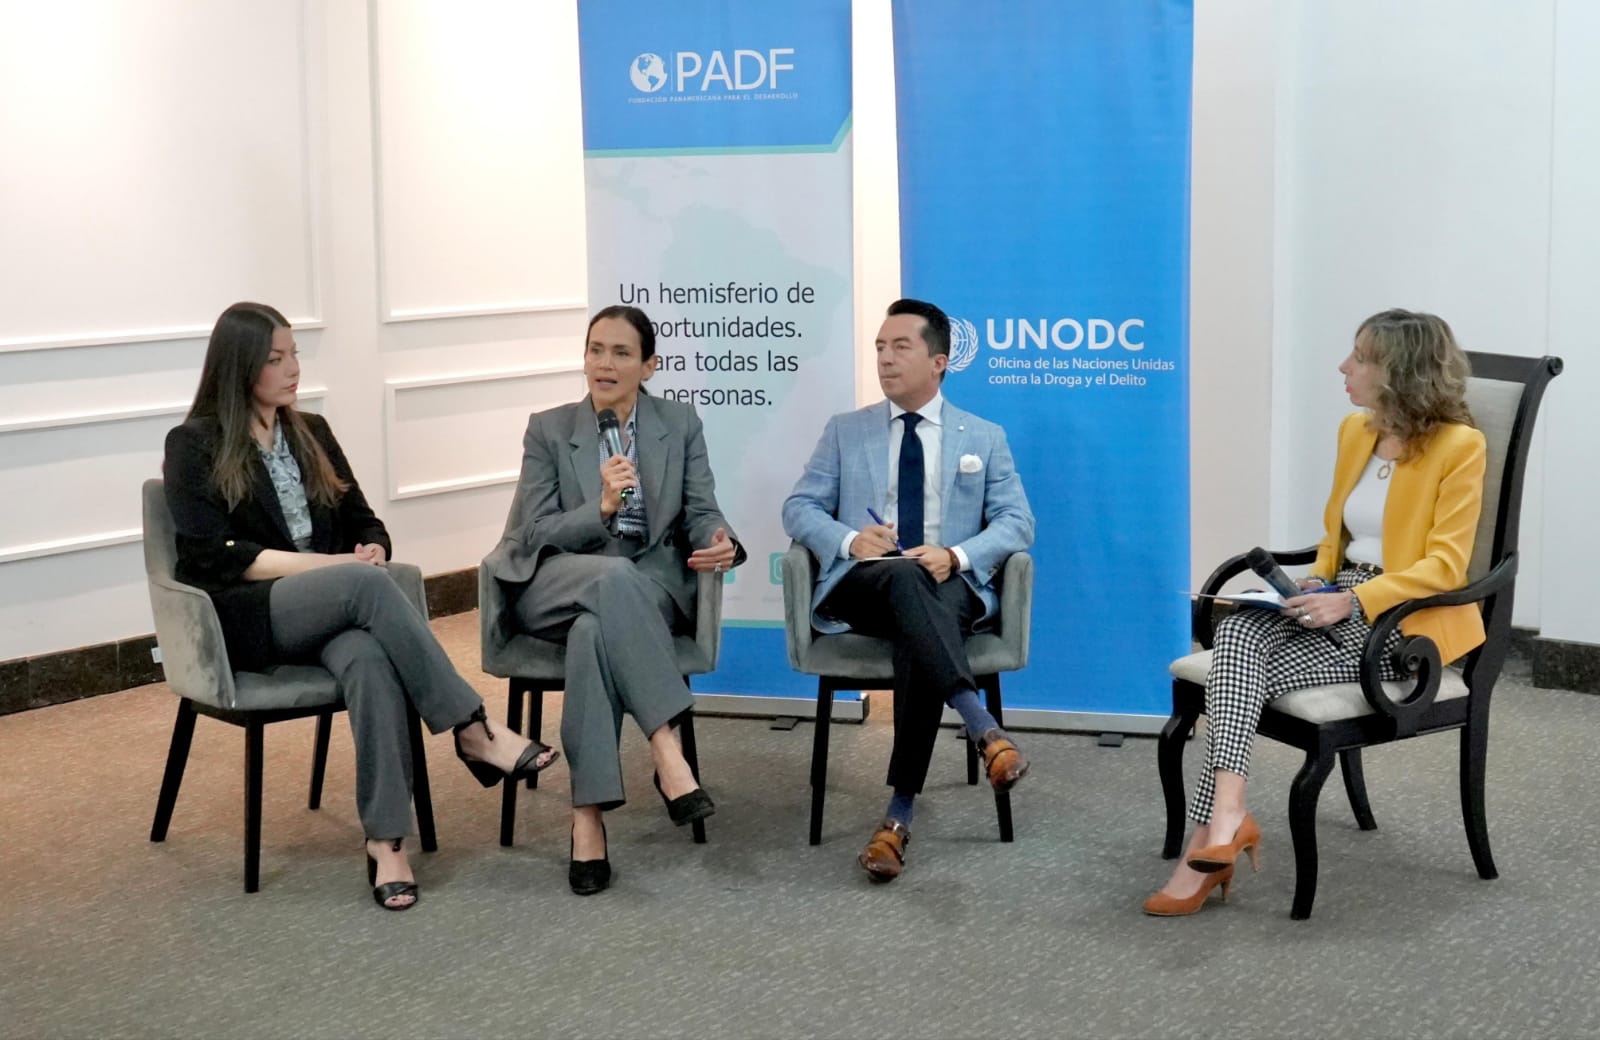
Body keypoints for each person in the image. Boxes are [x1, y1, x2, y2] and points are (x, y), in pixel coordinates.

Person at [164, 302, 557, 912]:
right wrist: (335, 567)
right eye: (276, 359)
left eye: (294, 354)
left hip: (333, 609)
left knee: (370, 660)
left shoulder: (311, 432)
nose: (293, 369)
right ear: (239, 367)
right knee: (365, 586)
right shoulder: (193, 444)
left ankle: (387, 841)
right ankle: (470, 727)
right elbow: (213, 556)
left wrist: (372, 548)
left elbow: (362, 517)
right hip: (249, 616)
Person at [1145, 308, 1487, 916]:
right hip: (1340, 598)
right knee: (1241, 629)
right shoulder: (1356, 431)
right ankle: (1226, 818)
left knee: (1232, 670)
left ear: (1401, 372)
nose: (1343, 367)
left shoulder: (1460, 446)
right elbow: (1338, 536)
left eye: (1362, 357)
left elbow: (1446, 567)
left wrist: (1352, 599)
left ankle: (1211, 838)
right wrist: (1316, 581)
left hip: (1402, 624)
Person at [484, 304, 743, 896]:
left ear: (649, 366)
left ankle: (587, 818)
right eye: (595, 349)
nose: (604, 363)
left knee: (594, 631)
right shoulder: (549, 429)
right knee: (608, 580)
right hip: (556, 583)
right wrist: (598, 509)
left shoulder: (679, 423)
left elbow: (702, 510)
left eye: (621, 353)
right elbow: (531, 533)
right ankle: (666, 748)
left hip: (646, 588)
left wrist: (719, 539)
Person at [782, 298, 1036, 882]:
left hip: (951, 585)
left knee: (920, 610)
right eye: (880, 347)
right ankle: (981, 726)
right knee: (904, 576)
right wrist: (851, 540)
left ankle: (898, 818)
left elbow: (1018, 522)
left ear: (939, 362)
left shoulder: (984, 437)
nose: (885, 359)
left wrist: (956, 556)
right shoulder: (846, 431)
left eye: (900, 347)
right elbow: (799, 508)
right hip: (864, 586)